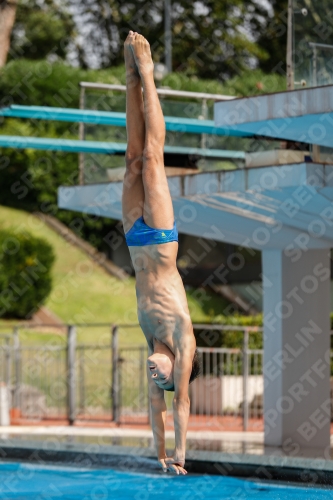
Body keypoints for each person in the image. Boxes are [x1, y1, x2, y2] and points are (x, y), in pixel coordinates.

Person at [122, 31, 200, 475]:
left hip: (135, 239)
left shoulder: (149, 341)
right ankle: (150, 74)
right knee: (153, 157)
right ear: (173, 372)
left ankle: (129, 78)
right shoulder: (181, 340)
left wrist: (159, 456)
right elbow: (180, 406)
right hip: (161, 238)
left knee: (132, 156)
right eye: (160, 379)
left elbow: (157, 411)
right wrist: (182, 455)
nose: (153, 376)